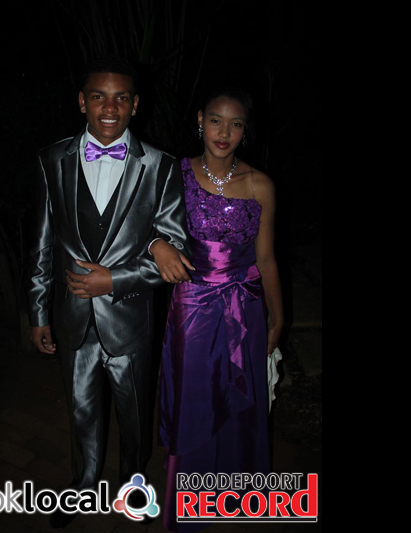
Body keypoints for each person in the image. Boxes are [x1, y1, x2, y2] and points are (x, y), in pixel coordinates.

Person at [26, 56, 192, 530]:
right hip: (72, 314)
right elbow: (41, 244)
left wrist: (115, 279)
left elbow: (176, 253)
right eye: (99, 96)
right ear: (82, 102)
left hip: (130, 319)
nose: (110, 107)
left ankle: (131, 487)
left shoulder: (160, 166)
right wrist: (38, 313)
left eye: (121, 98)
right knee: (81, 411)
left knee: (134, 416)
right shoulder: (51, 159)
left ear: (135, 105)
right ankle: (83, 485)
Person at [150, 87, 284, 531]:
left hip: (246, 308)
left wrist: (278, 317)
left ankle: (234, 492)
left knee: (240, 401)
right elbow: (143, 225)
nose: (224, 132)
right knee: (194, 399)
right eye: (215, 121)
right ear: (199, 121)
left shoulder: (261, 184)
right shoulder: (174, 174)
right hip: (192, 304)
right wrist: (157, 244)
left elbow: (266, 259)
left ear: (245, 130)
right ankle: (188, 502)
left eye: (236, 124)